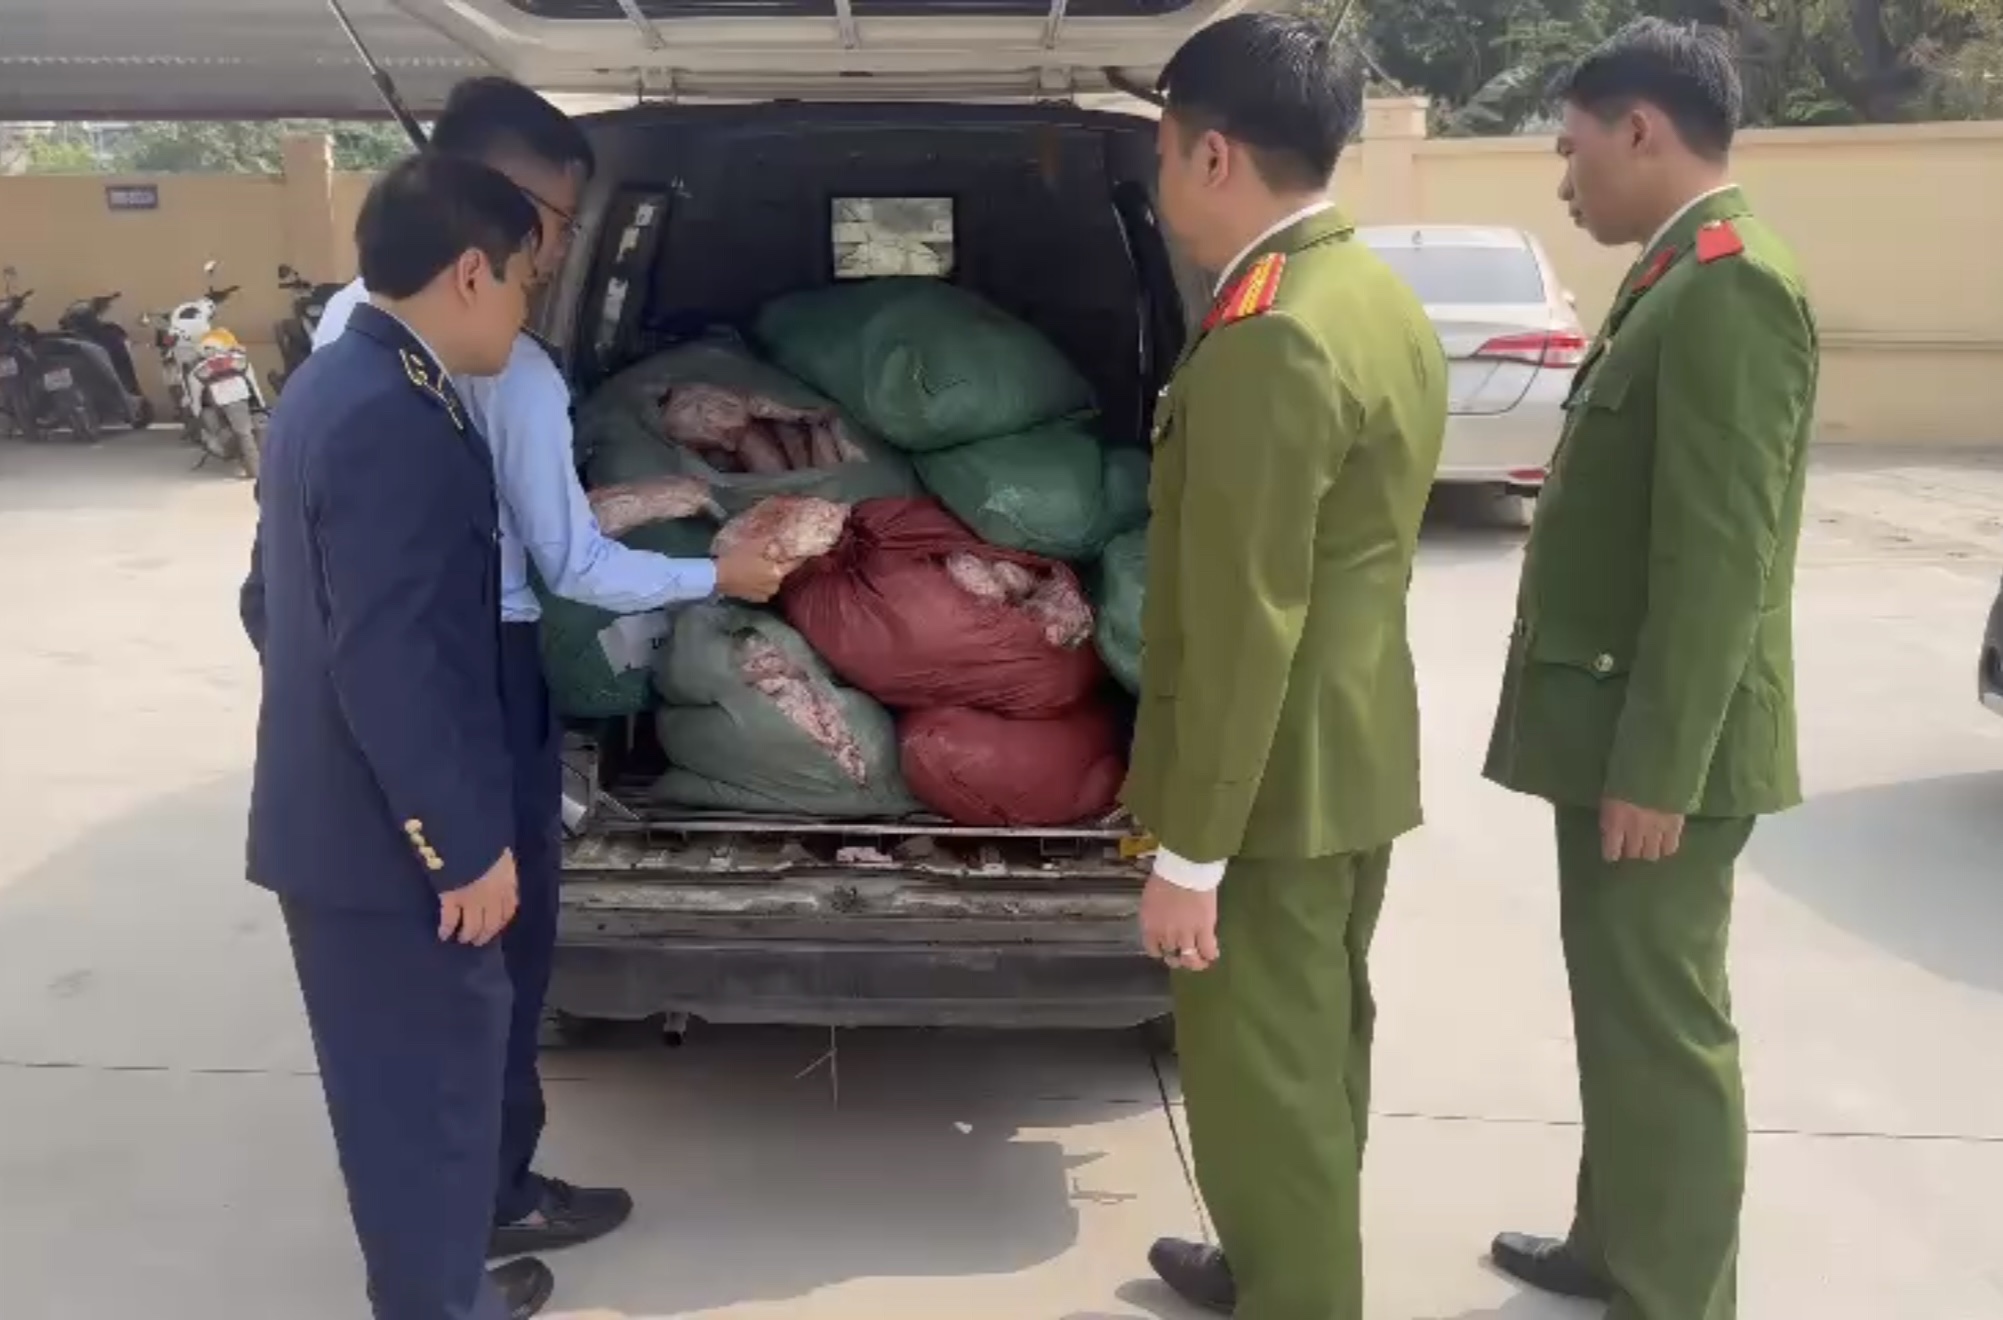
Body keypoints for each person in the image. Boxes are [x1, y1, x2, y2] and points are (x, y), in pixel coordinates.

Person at [301, 77, 788, 1264]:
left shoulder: (340, 335)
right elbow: (570, 564)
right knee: (492, 955)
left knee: (429, 976)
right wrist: (718, 577)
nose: (553, 257)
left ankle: (461, 1210)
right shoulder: (504, 372)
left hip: (374, 681)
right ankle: (486, 1202)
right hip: (477, 667)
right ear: (486, 218)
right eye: (553, 227)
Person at [1482, 20, 1818, 1320]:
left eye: (1572, 149)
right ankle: (1614, 1243)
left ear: (1639, 130)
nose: (1564, 180)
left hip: (1660, 746)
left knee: (1664, 1028)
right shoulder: (1672, 273)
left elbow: (1715, 560)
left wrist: (1659, 768)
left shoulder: (1730, 286)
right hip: (1620, 729)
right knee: (1618, 1006)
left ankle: (1675, 1292)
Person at [1124, 15, 1448, 1318]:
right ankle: (1272, 1257)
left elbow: (1245, 617)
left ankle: (1298, 1292)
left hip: (1264, 785)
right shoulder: (1365, 292)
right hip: (1342, 756)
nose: (1161, 182)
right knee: (1312, 1050)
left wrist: (1190, 853)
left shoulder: (1270, 333)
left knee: (1263, 1070)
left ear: (1210, 155)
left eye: (1161, 154)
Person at [243, 153, 558, 1319]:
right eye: (524, 283)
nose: (525, 312)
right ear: (472, 272)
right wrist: (459, 845)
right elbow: (390, 662)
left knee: (400, 1097)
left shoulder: (330, 385)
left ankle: (437, 1290)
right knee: (428, 1097)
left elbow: (267, 604)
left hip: (335, 822)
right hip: (385, 848)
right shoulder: (396, 419)